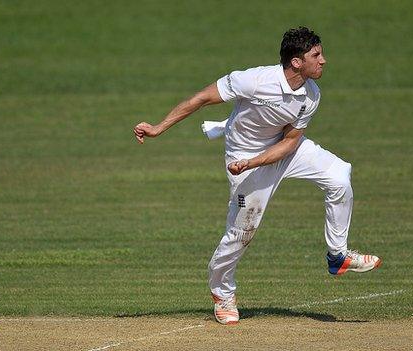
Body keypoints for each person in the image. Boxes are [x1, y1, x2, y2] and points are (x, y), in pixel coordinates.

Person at [133, 27, 381, 325]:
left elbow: (290, 142)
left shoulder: (311, 95)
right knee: (241, 233)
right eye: (316, 55)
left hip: (280, 151)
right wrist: (159, 128)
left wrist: (256, 162)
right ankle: (222, 293)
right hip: (242, 154)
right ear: (296, 62)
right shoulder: (253, 80)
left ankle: (337, 256)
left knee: (340, 174)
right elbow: (200, 98)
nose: (323, 60)